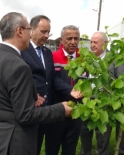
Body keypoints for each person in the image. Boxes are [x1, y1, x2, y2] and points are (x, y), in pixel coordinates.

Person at [0, 12, 73, 155]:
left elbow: (3, 96)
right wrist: (61, 109)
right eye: (28, 29)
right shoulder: (18, 65)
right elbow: (26, 115)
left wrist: (31, 96)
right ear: (20, 31)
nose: (30, 33)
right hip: (14, 143)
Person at [21, 15, 81, 155]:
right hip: (28, 108)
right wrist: (31, 94)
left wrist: (70, 90)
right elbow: (20, 77)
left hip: (46, 109)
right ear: (32, 30)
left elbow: (51, 79)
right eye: (43, 31)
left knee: (38, 145)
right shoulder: (23, 50)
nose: (47, 35)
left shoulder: (47, 53)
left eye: (48, 32)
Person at [80, 31, 124, 155]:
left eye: (95, 42)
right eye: (91, 42)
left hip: (105, 105)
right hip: (87, 103)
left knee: (102, 138)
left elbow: (122, 84)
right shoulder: (88, 59)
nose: (92, 45)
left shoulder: (115, 60)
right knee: (85, 135)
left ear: (105, 43)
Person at [43, 25, 82, 155]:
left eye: (76, 38)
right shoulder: (52, 57)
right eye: (69, 38)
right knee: (52, 148)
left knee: (70, 149)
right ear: (61, 40)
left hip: (77, 113)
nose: (73, 42)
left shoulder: (84, 59)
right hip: (56, 111)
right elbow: (51, 81)